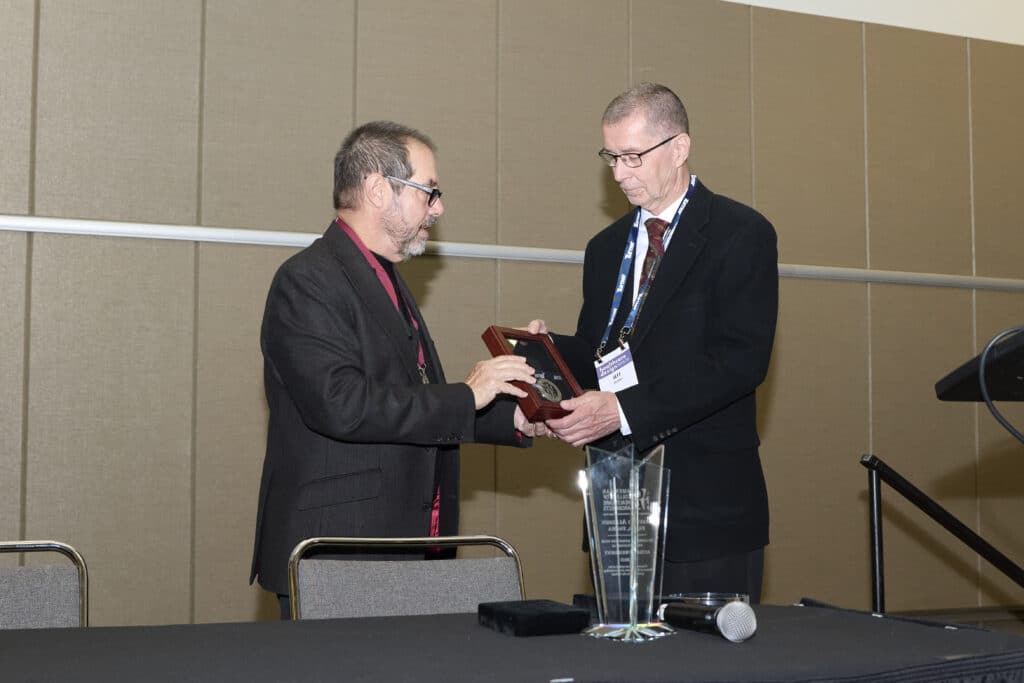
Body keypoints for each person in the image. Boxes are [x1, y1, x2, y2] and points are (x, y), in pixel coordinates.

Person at [251, 121, 544, 617]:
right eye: (429, 191)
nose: (439, 207)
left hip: (399, 549)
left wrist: (511, 415)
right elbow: (341, 405)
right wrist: (468, 393)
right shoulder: (307, 280)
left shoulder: (383, 274)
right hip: (340, 556)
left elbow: (410, 403)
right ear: (378, 189)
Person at [530, 83, 778, 602]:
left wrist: (622, 411)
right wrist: (545, 354)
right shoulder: (605, 248)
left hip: (707, 507)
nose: (619, 173)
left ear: (679, 148)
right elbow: (605, 353)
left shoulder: (741, 234)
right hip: (618, 502)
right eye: (611, 157)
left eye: (632, 156)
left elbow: (739, 363)